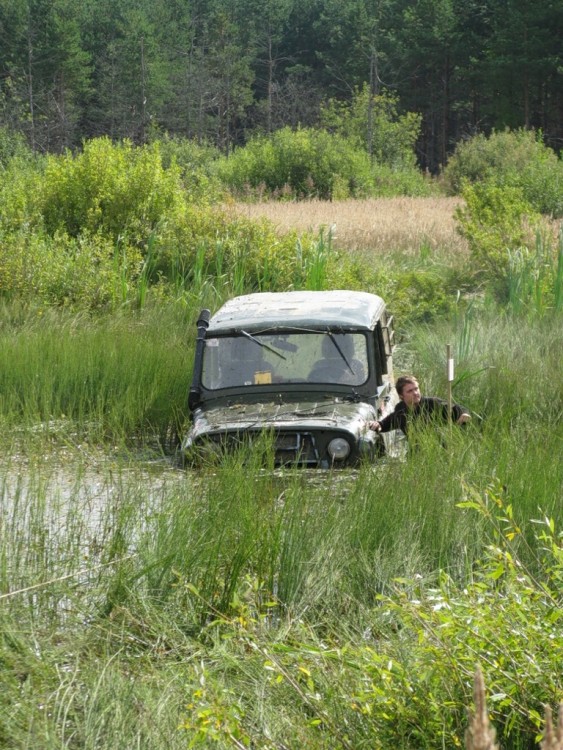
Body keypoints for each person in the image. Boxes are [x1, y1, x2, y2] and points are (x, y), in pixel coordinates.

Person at [369, 375, 471, 437]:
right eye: (410, 391)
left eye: (416, 389)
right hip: (415, 455)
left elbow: (458, 409)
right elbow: (390, 421)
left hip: (440, 453)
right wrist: (379, 425)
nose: (416, 393)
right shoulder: (401, 409)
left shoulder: (433, 403)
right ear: (401, 396)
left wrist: (464, 414)